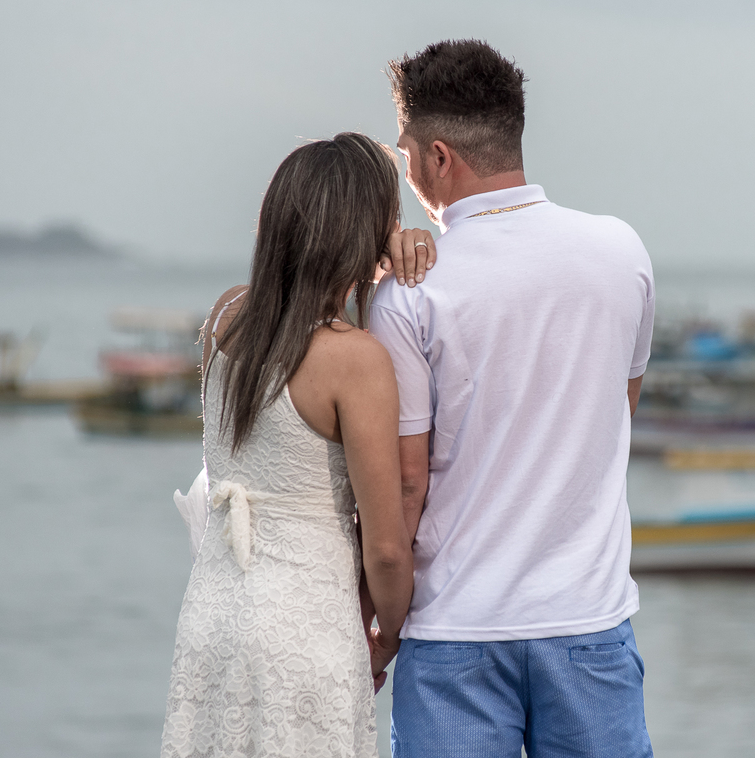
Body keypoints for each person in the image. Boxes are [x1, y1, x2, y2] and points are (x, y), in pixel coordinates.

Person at [370, 40, 657, 757]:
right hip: (586, 620)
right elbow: (617, 416)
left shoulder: (408, 293)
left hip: (456, 634)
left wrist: (384, 631)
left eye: (405, 155)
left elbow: (408, 486)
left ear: (440, 157)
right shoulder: (624, 253)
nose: (406, 174)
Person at [160, 132, 435, 758]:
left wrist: (372, 259)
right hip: (303, 632)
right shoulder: (356, 360)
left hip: (214, 614)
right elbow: (387, 551)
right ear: (364, 231)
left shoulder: (228, 315)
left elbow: (300, 339)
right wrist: (387, 635)